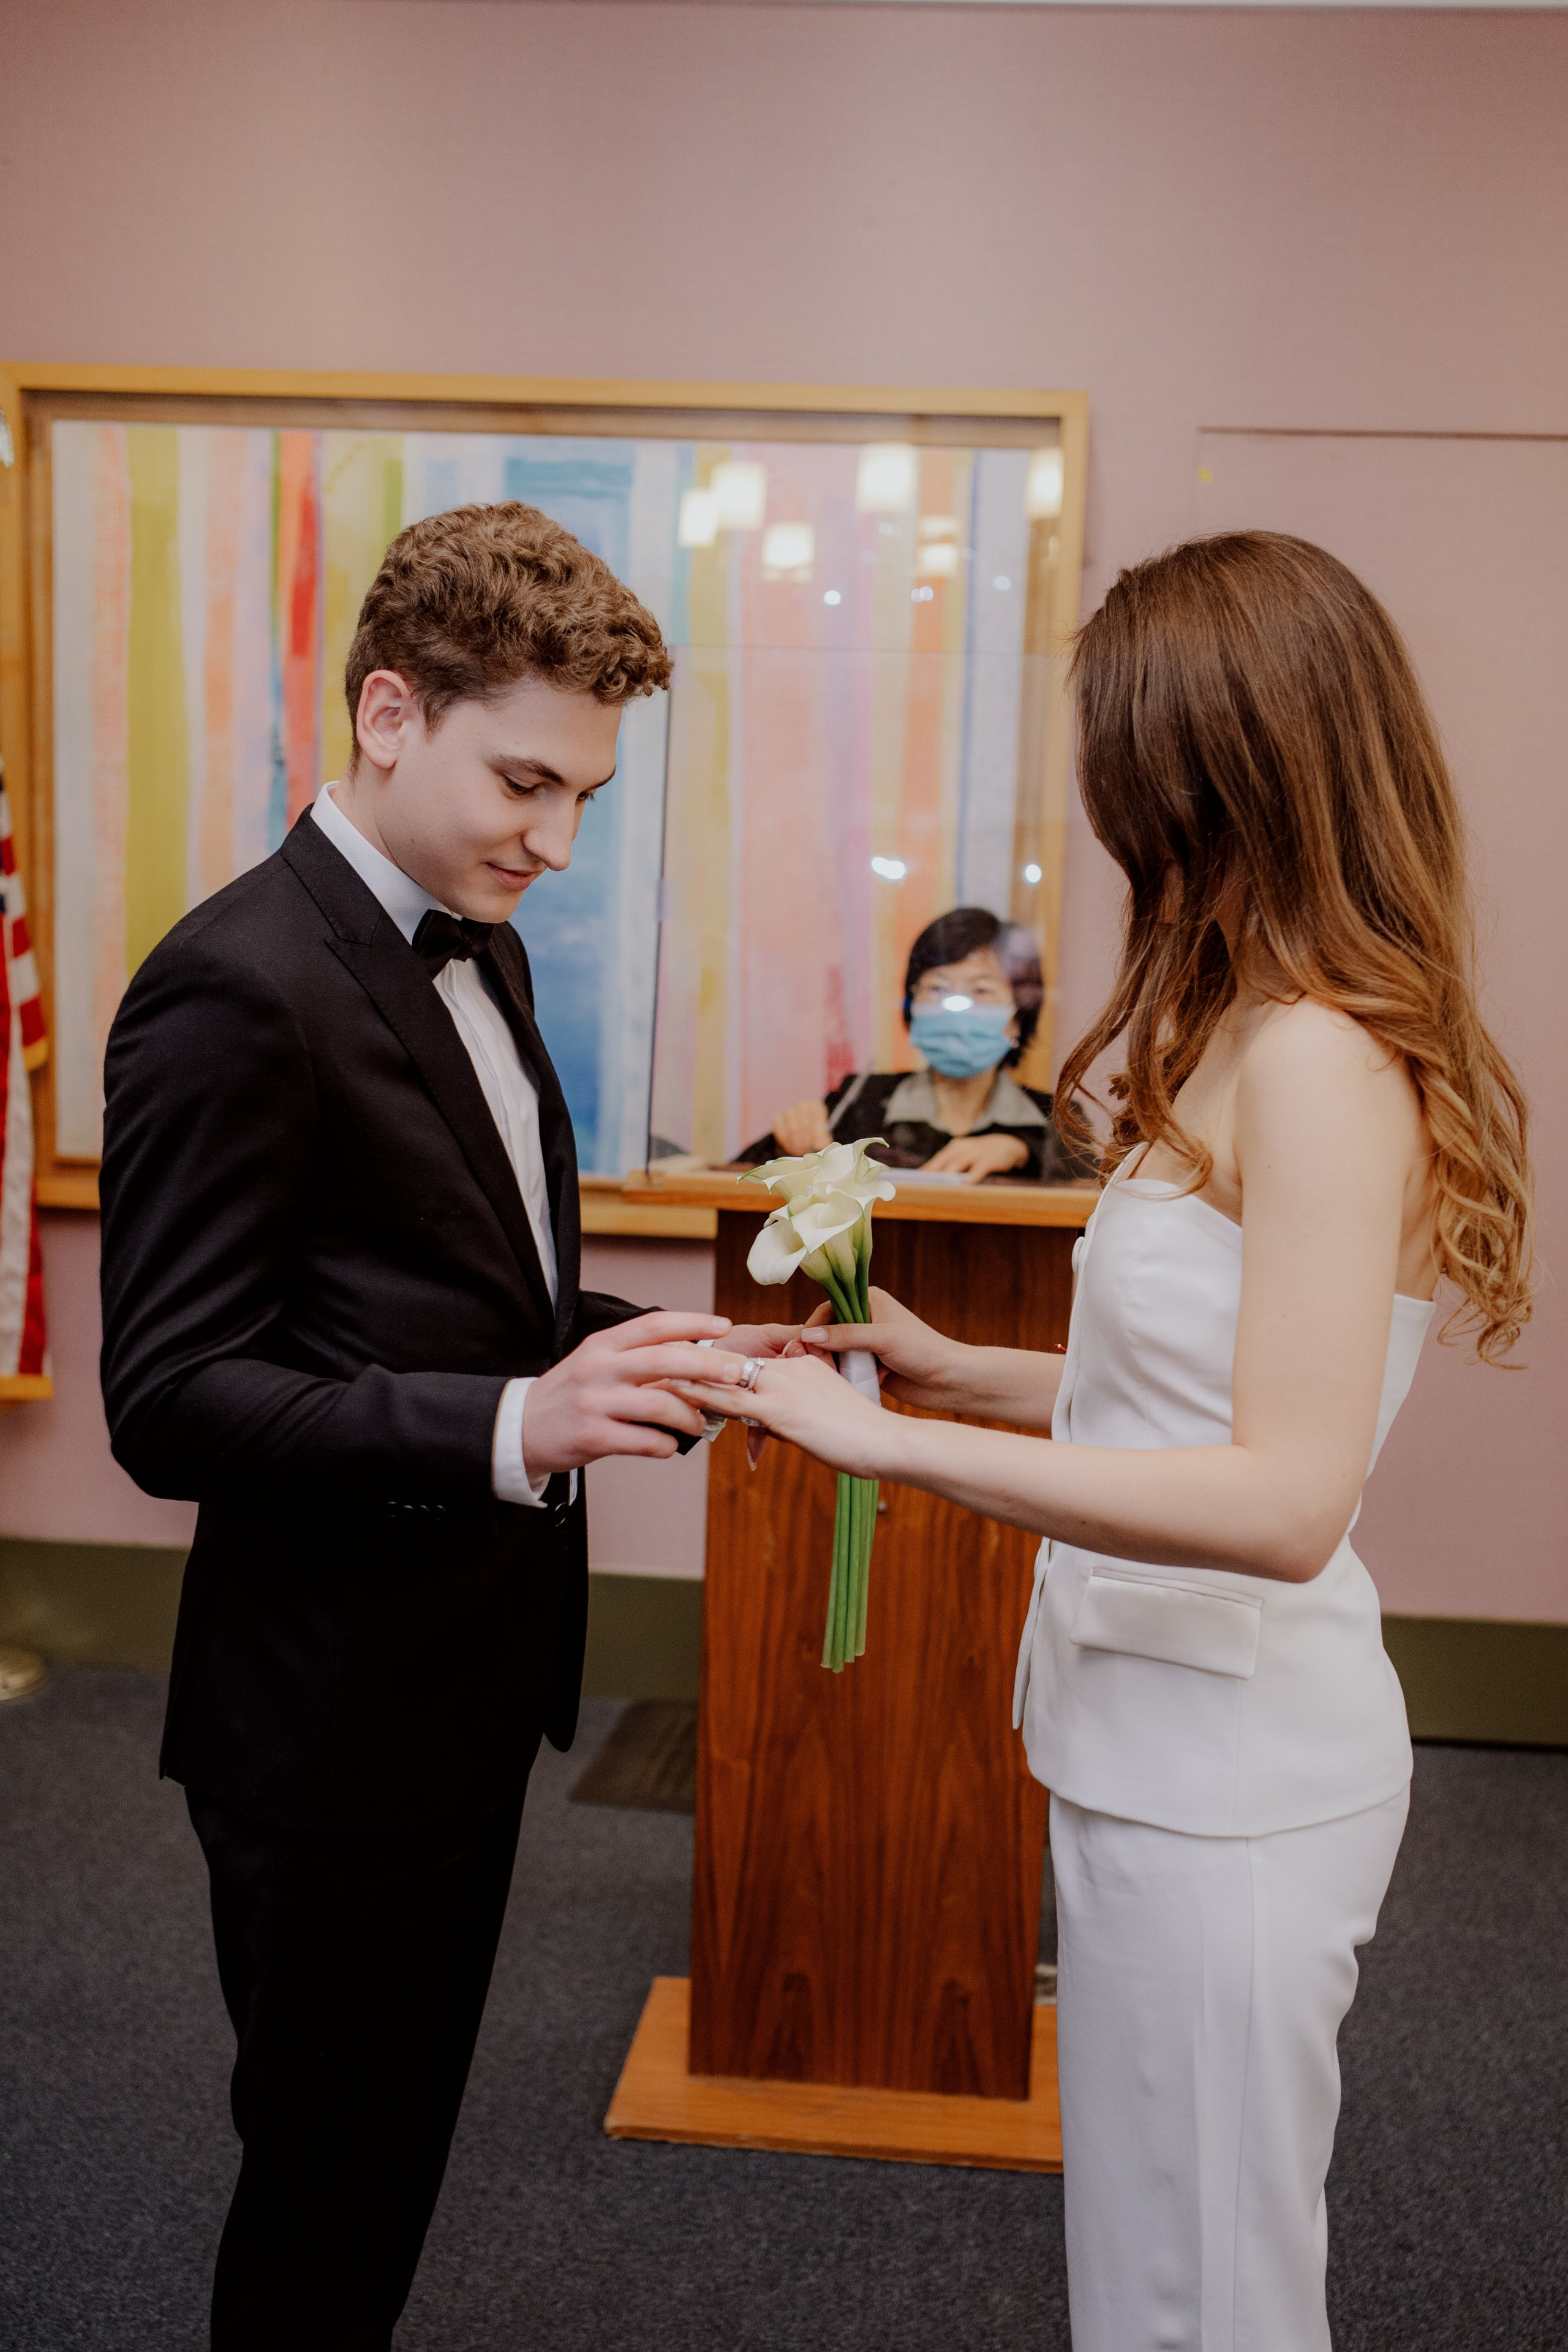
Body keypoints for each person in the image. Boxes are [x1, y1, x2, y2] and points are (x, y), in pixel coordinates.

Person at [686, 533, 1533, 2352]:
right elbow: (1172, 1395)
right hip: (1140, 1734)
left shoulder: (1313, 1056)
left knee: (1206, 2300)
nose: (1113, 823)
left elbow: (1286, 1497)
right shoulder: (1234, 1028)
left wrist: (893, 1456)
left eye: (1131, 782)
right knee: (1150, 2274)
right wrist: (936, 1368)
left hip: (1234, 1771)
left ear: (1226, 777)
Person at [97, 503, 790, 2352]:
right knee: (324, 2185)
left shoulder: (472, 942)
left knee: (384, 2160)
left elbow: (456, 1287)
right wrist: (512, 1419)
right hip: (324, 1720)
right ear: (389, 713)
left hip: (460, 1690)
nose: (558, 841)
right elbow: (168, 1397)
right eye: (526, 781)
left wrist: (647, 1349)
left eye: (585, 795)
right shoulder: (234, 982)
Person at [741, 905, 1088, 1182]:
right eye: (938, 988)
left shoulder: (1057, 1119)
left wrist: (1022, 1150)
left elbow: (1096, 1196)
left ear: (1018, 1017)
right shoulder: (861, 1101)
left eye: (982, 991)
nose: (957, 1009)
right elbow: (743, 1175)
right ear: (913, 1006)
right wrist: (787, 1139)